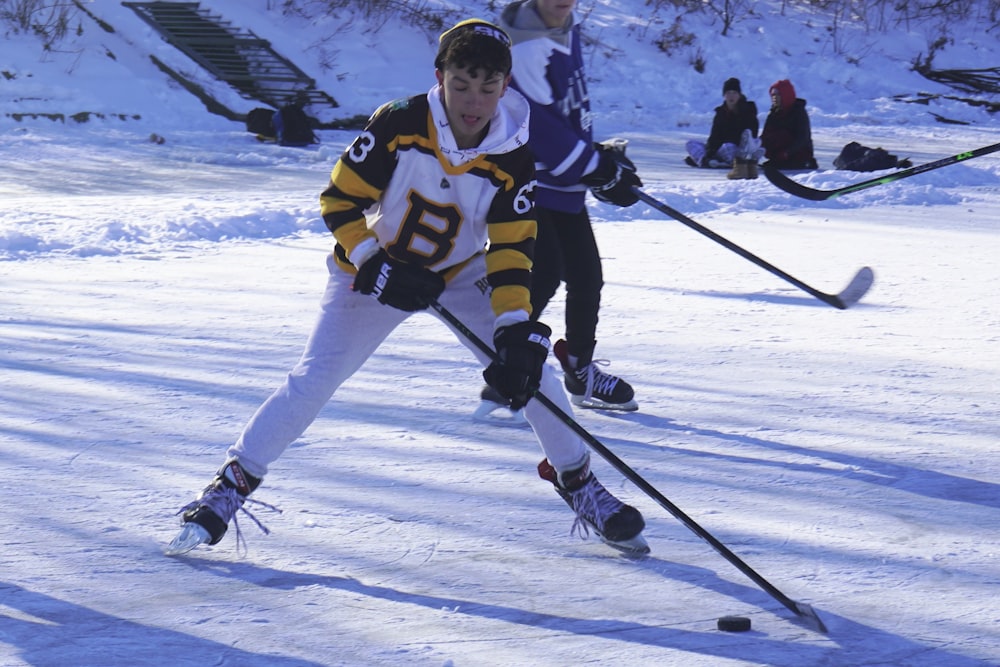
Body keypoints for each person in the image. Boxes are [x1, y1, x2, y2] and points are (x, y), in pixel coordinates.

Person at [167, 19, 648, 558]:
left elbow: (514, 249)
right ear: (439, 76)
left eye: (488, 88)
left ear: (506, 86)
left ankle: (578, 483)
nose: (473, 101)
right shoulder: (399, 122)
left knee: (535, 376)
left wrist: (514, 326)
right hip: (373, 269)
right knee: (316, 376)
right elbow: (338, 201)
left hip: (463, 273)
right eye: (461, 85)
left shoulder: (514, 150)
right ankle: (231, 484)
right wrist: (372, 258)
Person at [485, 0, 640, 420]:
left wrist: (599, 158)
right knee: (546, 274)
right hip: (532, 182)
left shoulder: (563, 25)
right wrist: (596, 168)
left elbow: (566, 109)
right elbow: (536, 124)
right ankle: (504, 369)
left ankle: (579, 369)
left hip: (564, 184)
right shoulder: (524, 43)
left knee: (588, 276)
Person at [685, 77, 764, 180]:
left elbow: (751, 134)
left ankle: (730, 163)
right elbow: (714, 137)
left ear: (739, 95)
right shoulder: (720, 113)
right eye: (728, 93)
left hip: (737, 148)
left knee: (729, 147)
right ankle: (707, 161)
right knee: (690, 144)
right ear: (724, 95)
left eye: (734, 93)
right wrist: (710, 152)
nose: (731, 96)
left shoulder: (748, 111)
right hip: (720, 149)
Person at [761, 79, 818, 170]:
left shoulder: (798, 112)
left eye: (778, 95)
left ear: (785, 95)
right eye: (773, 95)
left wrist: (787, 152)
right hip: (778, 156)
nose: (774, 98)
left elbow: (803, 138)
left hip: (798, 156)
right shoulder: (773, 114)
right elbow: (765, 134)